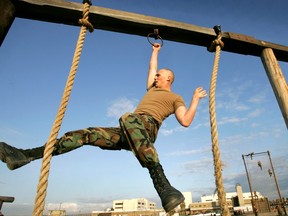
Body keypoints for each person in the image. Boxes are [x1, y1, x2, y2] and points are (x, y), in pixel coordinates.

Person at [0, 43, 207, 212]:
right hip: (128, 130)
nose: (155, 78)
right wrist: (155, 51)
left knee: (128, 117)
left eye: (159, 76)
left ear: (168, 79)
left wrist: (195, 99)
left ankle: (164, 186)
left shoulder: (174, 98)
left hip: (146, 129)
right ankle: (25, 155)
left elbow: (185, 121)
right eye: (155, 76)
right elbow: (152, 67)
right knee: (84, 135)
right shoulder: (150, 88)